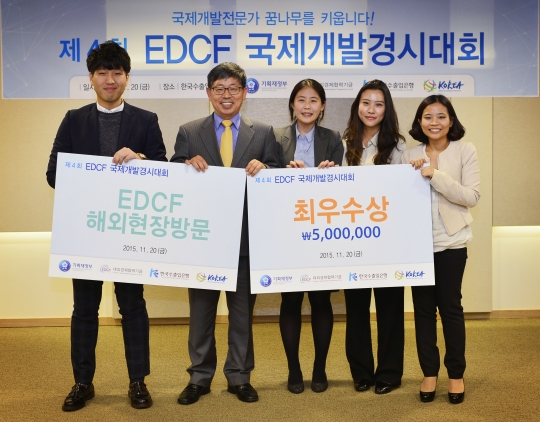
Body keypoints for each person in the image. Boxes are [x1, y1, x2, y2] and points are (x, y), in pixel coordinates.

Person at [46, 40, 167, 411]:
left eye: (117, 72)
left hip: (129, 232)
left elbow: (164, 170)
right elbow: (53, 173)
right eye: (103, 73)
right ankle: (82, 382)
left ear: (127, 77)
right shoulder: (74, 119)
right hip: (86, 232)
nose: (110, 79)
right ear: (91, 78)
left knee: (133, 307)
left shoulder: (145, 120)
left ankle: (138, 382)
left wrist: (141, 158)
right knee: (84, 309)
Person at [170, 62, 279, 405]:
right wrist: (185, 166)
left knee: (242, 316)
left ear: (244, 93)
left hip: (246, 240)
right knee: (201, 315)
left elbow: (279, 178)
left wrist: (267, 168)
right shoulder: (189, 131)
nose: (226, 95)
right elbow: (173, 177)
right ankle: (199, 377)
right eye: (219, 89)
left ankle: (239, 377)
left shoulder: (263, 132)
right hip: (203, 241)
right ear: (209, 93)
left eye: (233, 88)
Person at [404, 94, 480, 404]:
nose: (434, 122)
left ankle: (456, 375)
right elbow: (396, 198)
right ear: (419, 122)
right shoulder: (408, 154)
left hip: (452, 243)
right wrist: (410, 173)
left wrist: (436, 175)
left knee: (450, 310)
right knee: (423, 312)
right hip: (417, 245)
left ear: (451, 121)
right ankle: (429, 374)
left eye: (441, 116)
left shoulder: (465, 150)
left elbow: (471, 197)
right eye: (428, 117)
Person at [274, 79, 343, 394]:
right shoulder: (275, 136)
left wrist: (330, 174)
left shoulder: (333, 138)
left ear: (323, 106)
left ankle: (319, 368)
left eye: (314, 100)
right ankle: (294, 369)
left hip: (321, 232)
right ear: (292, 104)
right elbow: (265, 180)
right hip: (288, 231)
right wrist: (284, 175)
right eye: (301, 99)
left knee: (321, 299)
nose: (307, 106)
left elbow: (342, 187)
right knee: (290, 300)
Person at [341, 79, 405, 394]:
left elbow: (406, 191)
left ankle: (389, 373)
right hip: (352, 238)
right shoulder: (344, 143)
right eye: (366, 103)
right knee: (356, 308)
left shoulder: (399, 146)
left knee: (390, 307)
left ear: (386, 109)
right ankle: (362, 372)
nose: (371, 109)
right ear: (358, 107)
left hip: (387, 239)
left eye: (378, 104)